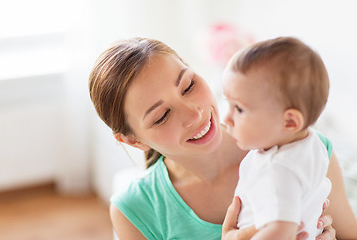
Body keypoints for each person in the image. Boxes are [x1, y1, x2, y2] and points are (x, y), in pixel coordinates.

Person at [88, 37, 357, 240]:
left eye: (189, 85)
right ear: (134, 141)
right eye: (162, 116)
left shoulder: (303, 149)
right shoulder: (135, 211)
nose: (194, 113)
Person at [222, 37, 331, 240]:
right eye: (227, 103)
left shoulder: (277, 169)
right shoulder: (311, 143)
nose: (226, 118)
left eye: (239, 108)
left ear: (290, 122)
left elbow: (280, 232)